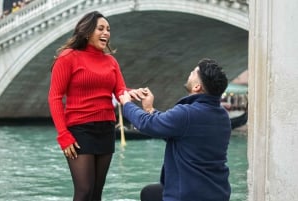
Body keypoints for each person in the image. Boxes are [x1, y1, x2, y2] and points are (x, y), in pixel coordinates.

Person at [48, 11, 136, 201]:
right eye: (101, 28)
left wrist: (134, 93)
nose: (106, 33)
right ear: (87, 32)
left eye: (108, 29)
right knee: (84, 191)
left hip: (105, 129)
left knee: (96, 193)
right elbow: (55, 98)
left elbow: (120, 90)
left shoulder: (111, 61)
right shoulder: (68, 57)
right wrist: (64, 136)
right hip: (79, 130)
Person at [119, 58, 232, 201]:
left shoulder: (187, 113)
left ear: (197, 87)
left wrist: (127, 104)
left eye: (193, 72)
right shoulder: (222, 116)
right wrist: (149, 109)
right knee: (150, 193)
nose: (190, 74)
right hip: (217, 193)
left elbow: (147, 124)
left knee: (150, 194)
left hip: (187, 194)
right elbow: (174, 130)